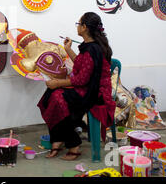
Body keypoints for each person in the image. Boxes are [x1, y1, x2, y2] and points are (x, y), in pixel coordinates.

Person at [38, 12, 116, 160]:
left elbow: (81, 79)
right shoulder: (89, 46)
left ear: (85, 27)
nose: (77, 27)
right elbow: (81, 65)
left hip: (95, 92)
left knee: (57, 98)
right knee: (49, 95)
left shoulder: (93, 49)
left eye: (78, 24)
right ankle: (58, 138)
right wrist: (68, 49)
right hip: (87, 86)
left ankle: (73, 143)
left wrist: (57, 83)